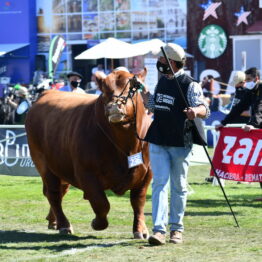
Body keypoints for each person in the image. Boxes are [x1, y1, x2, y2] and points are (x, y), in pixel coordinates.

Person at [141, 43, 210, 245]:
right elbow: (156, 107)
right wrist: (146, 98)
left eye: (161, 59)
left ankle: (177, 230)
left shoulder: (190, 84)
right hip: (159, 139)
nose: (158, 62)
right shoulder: (162, 81)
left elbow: (204, 109)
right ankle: (159, 230)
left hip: (181, 142)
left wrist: (194, 112)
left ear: (170, 62)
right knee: (160, 184)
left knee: (179, 186)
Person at [215, 67, 262, 196]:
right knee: (259, 164)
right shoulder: (250, 91)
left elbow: (259, 107)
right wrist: (223, 123)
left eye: (248, 80)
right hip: (259, 129)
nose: (246, 83)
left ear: (256, 79)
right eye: (245, 80)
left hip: (259, 127)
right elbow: (238, 108)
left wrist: (253, 124)